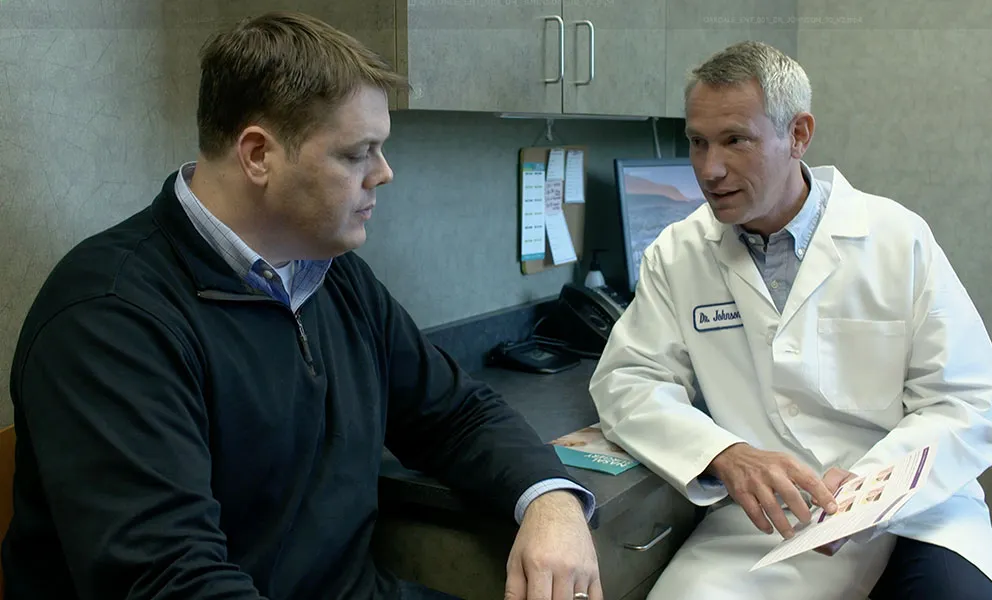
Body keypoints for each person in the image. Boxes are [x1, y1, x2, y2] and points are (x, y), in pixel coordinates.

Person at [1, 11, 603, 600]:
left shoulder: (332, 276)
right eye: (356, 153)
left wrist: (550, 500)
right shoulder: (109, 320)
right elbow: (169, 578)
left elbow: (454, 413)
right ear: (258, 154)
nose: (384, 174)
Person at [588, 40, 992, 600]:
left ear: (798, 135)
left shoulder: (896, 238)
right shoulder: (679, 252)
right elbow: (627, 381)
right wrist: (724, 453)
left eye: (735, 140)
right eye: (697, 142)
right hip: (763, 530)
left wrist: (873, 486)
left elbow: (970, 399)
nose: (709, 169)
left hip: (915, 512)